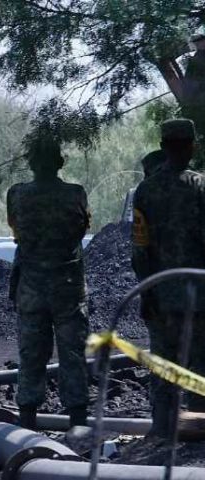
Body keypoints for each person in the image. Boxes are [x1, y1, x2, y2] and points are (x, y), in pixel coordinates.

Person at [7, 135, 91, 430]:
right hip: (68, 288)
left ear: (30, 163)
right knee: (73, 354)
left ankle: (27, 425)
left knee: (30, 355)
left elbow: (16, 232)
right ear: (60, 162)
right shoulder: (76, 193)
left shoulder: (16, 194)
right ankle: (78, 423)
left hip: (31, 288)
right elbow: (81, 230)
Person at [132, 118, 205, 440]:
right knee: (199, 366)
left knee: (163, 366)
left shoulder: (145, 191)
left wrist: (147, 293)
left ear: (163, 147)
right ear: (192, 146)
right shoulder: (201, 187)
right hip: (199, 297)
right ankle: (198, 433)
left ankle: (162, 431)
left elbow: (140, 250)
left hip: (160, 296)